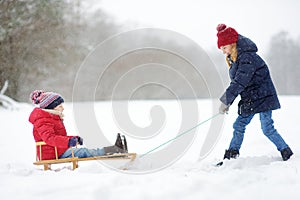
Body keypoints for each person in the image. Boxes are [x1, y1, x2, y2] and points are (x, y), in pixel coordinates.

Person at [216, 24, 293, 161]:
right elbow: (239, 83)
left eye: (224, 47)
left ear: (232, 44)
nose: (222, 51)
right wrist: (227, 101)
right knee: (239, 125)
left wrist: (226, 100)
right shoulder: (235, 58)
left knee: (267, 128)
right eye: (221, 48)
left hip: (263, 96)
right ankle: (232, 154)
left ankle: (286, 151)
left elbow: (240, 81)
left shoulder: (247, 58)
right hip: (251, 98)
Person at [29, 90, 127, 161]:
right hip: (51, 153)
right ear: (51, 107)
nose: (63, 108)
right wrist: (69, 141)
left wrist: (73, 139)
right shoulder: (43, 120)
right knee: (84, 152)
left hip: (57, 150)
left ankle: (114, 149)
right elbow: (49, 138)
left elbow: (58, 137)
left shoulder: (50, 118)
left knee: (84, 151)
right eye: (60, 106)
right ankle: (114, 150)